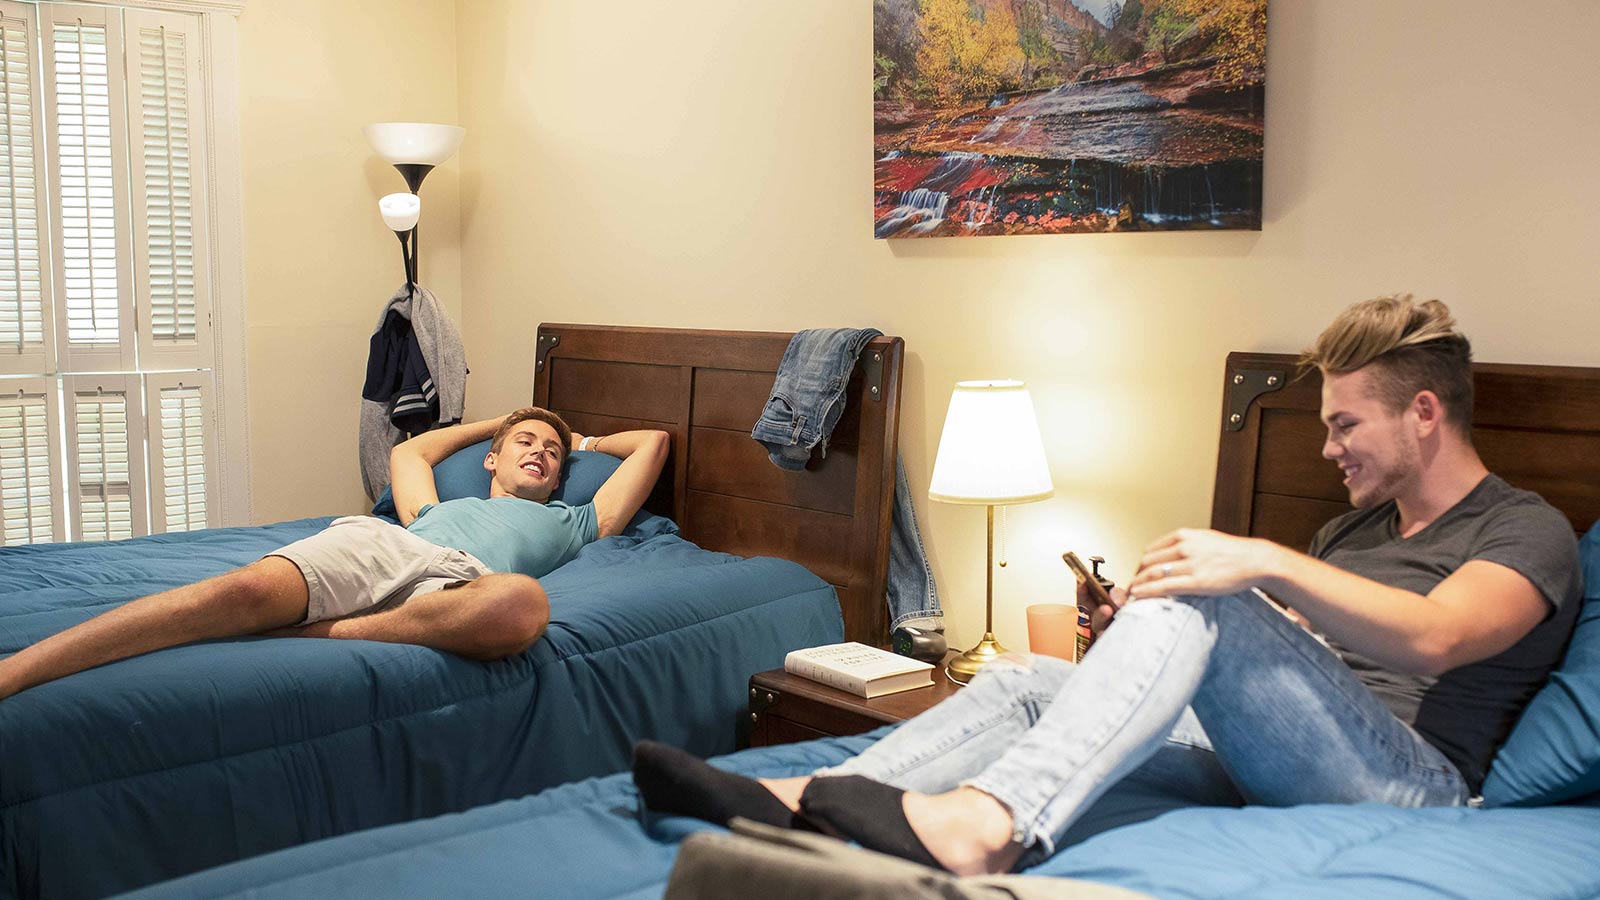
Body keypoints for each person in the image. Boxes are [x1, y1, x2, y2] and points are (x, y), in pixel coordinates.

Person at [631, 295, 1583, 875]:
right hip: (1273, 757)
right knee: (1026, 683)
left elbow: (1438, 637)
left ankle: (987, 826)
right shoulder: (1353, 530)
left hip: (1405, 784)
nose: (1329, 449)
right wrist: (1136, 630)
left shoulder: (1523, 528)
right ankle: (806, 799)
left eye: (1345, 426)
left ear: (1424, 413)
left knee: (1209, 586)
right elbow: (1277, 662)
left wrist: (1253, 565)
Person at [0, 408, 670, 701]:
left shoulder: (577, 519)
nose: (539, 453)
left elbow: (654, 443)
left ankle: (326, 629)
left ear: (561, 475)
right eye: (525, 443)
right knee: (237, 594)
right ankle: (20, 671)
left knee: (523, 605)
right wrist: (497, 424)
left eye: (550, 453)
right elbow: (410, 451)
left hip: (460, 585)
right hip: (392, 549)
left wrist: (585, 441)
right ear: (492, 459)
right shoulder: (427, 507)